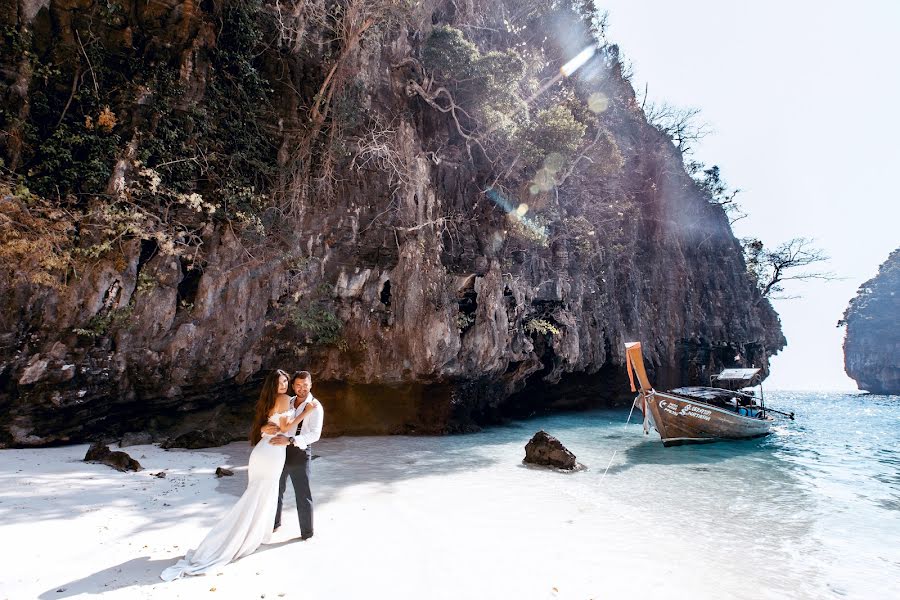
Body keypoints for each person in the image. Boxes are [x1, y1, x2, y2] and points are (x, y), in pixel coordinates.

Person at [160, 369, 320, 581]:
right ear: (282, 386)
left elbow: (303, 432)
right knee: (268, 492)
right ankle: (252, 533)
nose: (287, 386)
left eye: (287, 382)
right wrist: (305, 412)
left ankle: (275, 531)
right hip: (273, 453)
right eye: (284, 383)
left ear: (308, 384)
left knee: (269, 493)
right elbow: (284, 426)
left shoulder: (289, 401)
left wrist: (277, 426)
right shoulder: (286, 400)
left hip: (271, 451)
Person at [262, 370, 323, 540]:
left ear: (311, 385)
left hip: (299, 452)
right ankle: (274, 524)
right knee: (277, 490)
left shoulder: (315, 407)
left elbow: (315, 435)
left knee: (303, 494)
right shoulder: (286, 401)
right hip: (278, 452)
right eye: (298, 385)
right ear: (293, 386)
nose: (302, 388)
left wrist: (290, 440)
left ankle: (307, 533)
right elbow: (271, 420)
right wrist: (263, 428)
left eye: (305, 385)